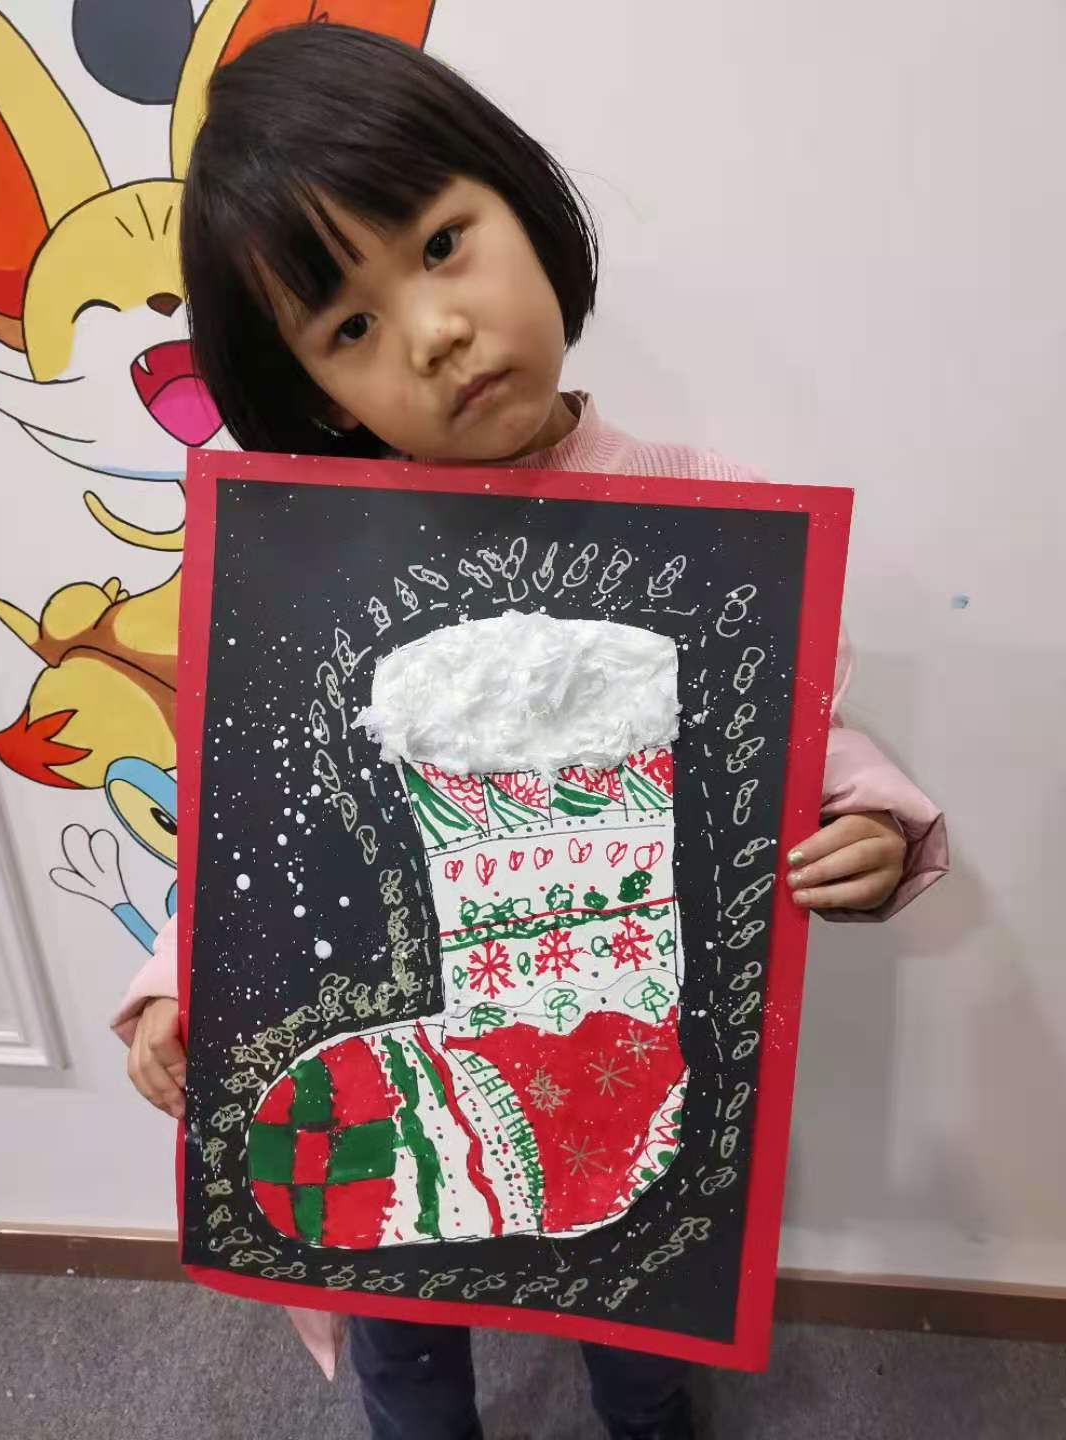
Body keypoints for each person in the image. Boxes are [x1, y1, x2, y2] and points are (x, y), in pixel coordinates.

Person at [114, 24, 948, 1440]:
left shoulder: (713, 519)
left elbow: (790, 735)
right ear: (315, 391)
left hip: (623, 1049)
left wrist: (868, 818)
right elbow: (261, 818)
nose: (434, 333)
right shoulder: (317, 574)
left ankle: (646, 1403)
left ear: (526, 207)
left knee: (637, 1306)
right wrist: (178, 982)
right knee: (391, 1291)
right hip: (410, 1007)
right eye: (351, 328)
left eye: (442, 245)